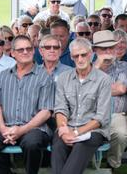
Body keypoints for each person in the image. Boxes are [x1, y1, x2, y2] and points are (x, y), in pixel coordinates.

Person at [0, 36, 54, 174]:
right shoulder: (3, 76)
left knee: (32, 144)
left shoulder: (44, 77)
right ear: (12, 53)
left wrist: (22, 130)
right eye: (21, 49)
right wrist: (3, 129)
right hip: (7, 127)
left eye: (29, 49)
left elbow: (46, 111)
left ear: (33, 50)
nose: (25, 52)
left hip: (34, 128)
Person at [52, 39, 111, 174]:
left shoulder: (103, 80)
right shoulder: (63, 78)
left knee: (80, 146)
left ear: (91, 54)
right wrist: (63, 128)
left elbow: (101, 118)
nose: (80, 59)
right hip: (68, 126)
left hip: (94, 130)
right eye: (76, 56)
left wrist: (77, 132)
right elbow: (60, 108)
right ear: (71, 57)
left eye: (83, 55)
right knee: (58, 145)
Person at [92, 30, 127, 170]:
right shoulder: (87, 67)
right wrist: (97, 67)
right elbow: (82, 90)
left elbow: (121, 89)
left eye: (111, 47)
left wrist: (95, 90)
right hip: (90, 114)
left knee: (120, 134)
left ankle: (112, 164)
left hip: (115, 114)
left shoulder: (123, 66)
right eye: (104, 48)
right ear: (95, 50)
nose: (109, 51)